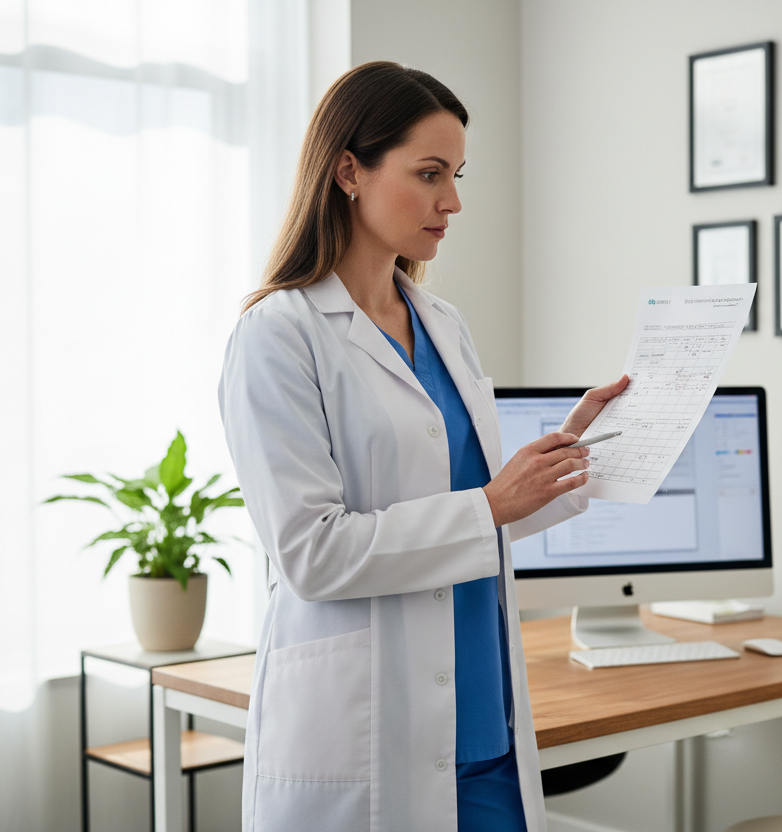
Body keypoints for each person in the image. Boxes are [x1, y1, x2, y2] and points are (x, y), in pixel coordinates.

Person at [218, 61, 627, 832]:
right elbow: (311, 553)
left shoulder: (442, 323)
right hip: (369, 734)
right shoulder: (278, 335)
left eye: (456, 176)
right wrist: (490, 505)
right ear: (349, 171)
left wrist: (570, 454)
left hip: (485, 723)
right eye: (430, 173)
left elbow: (476, 504)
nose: (453, 202)